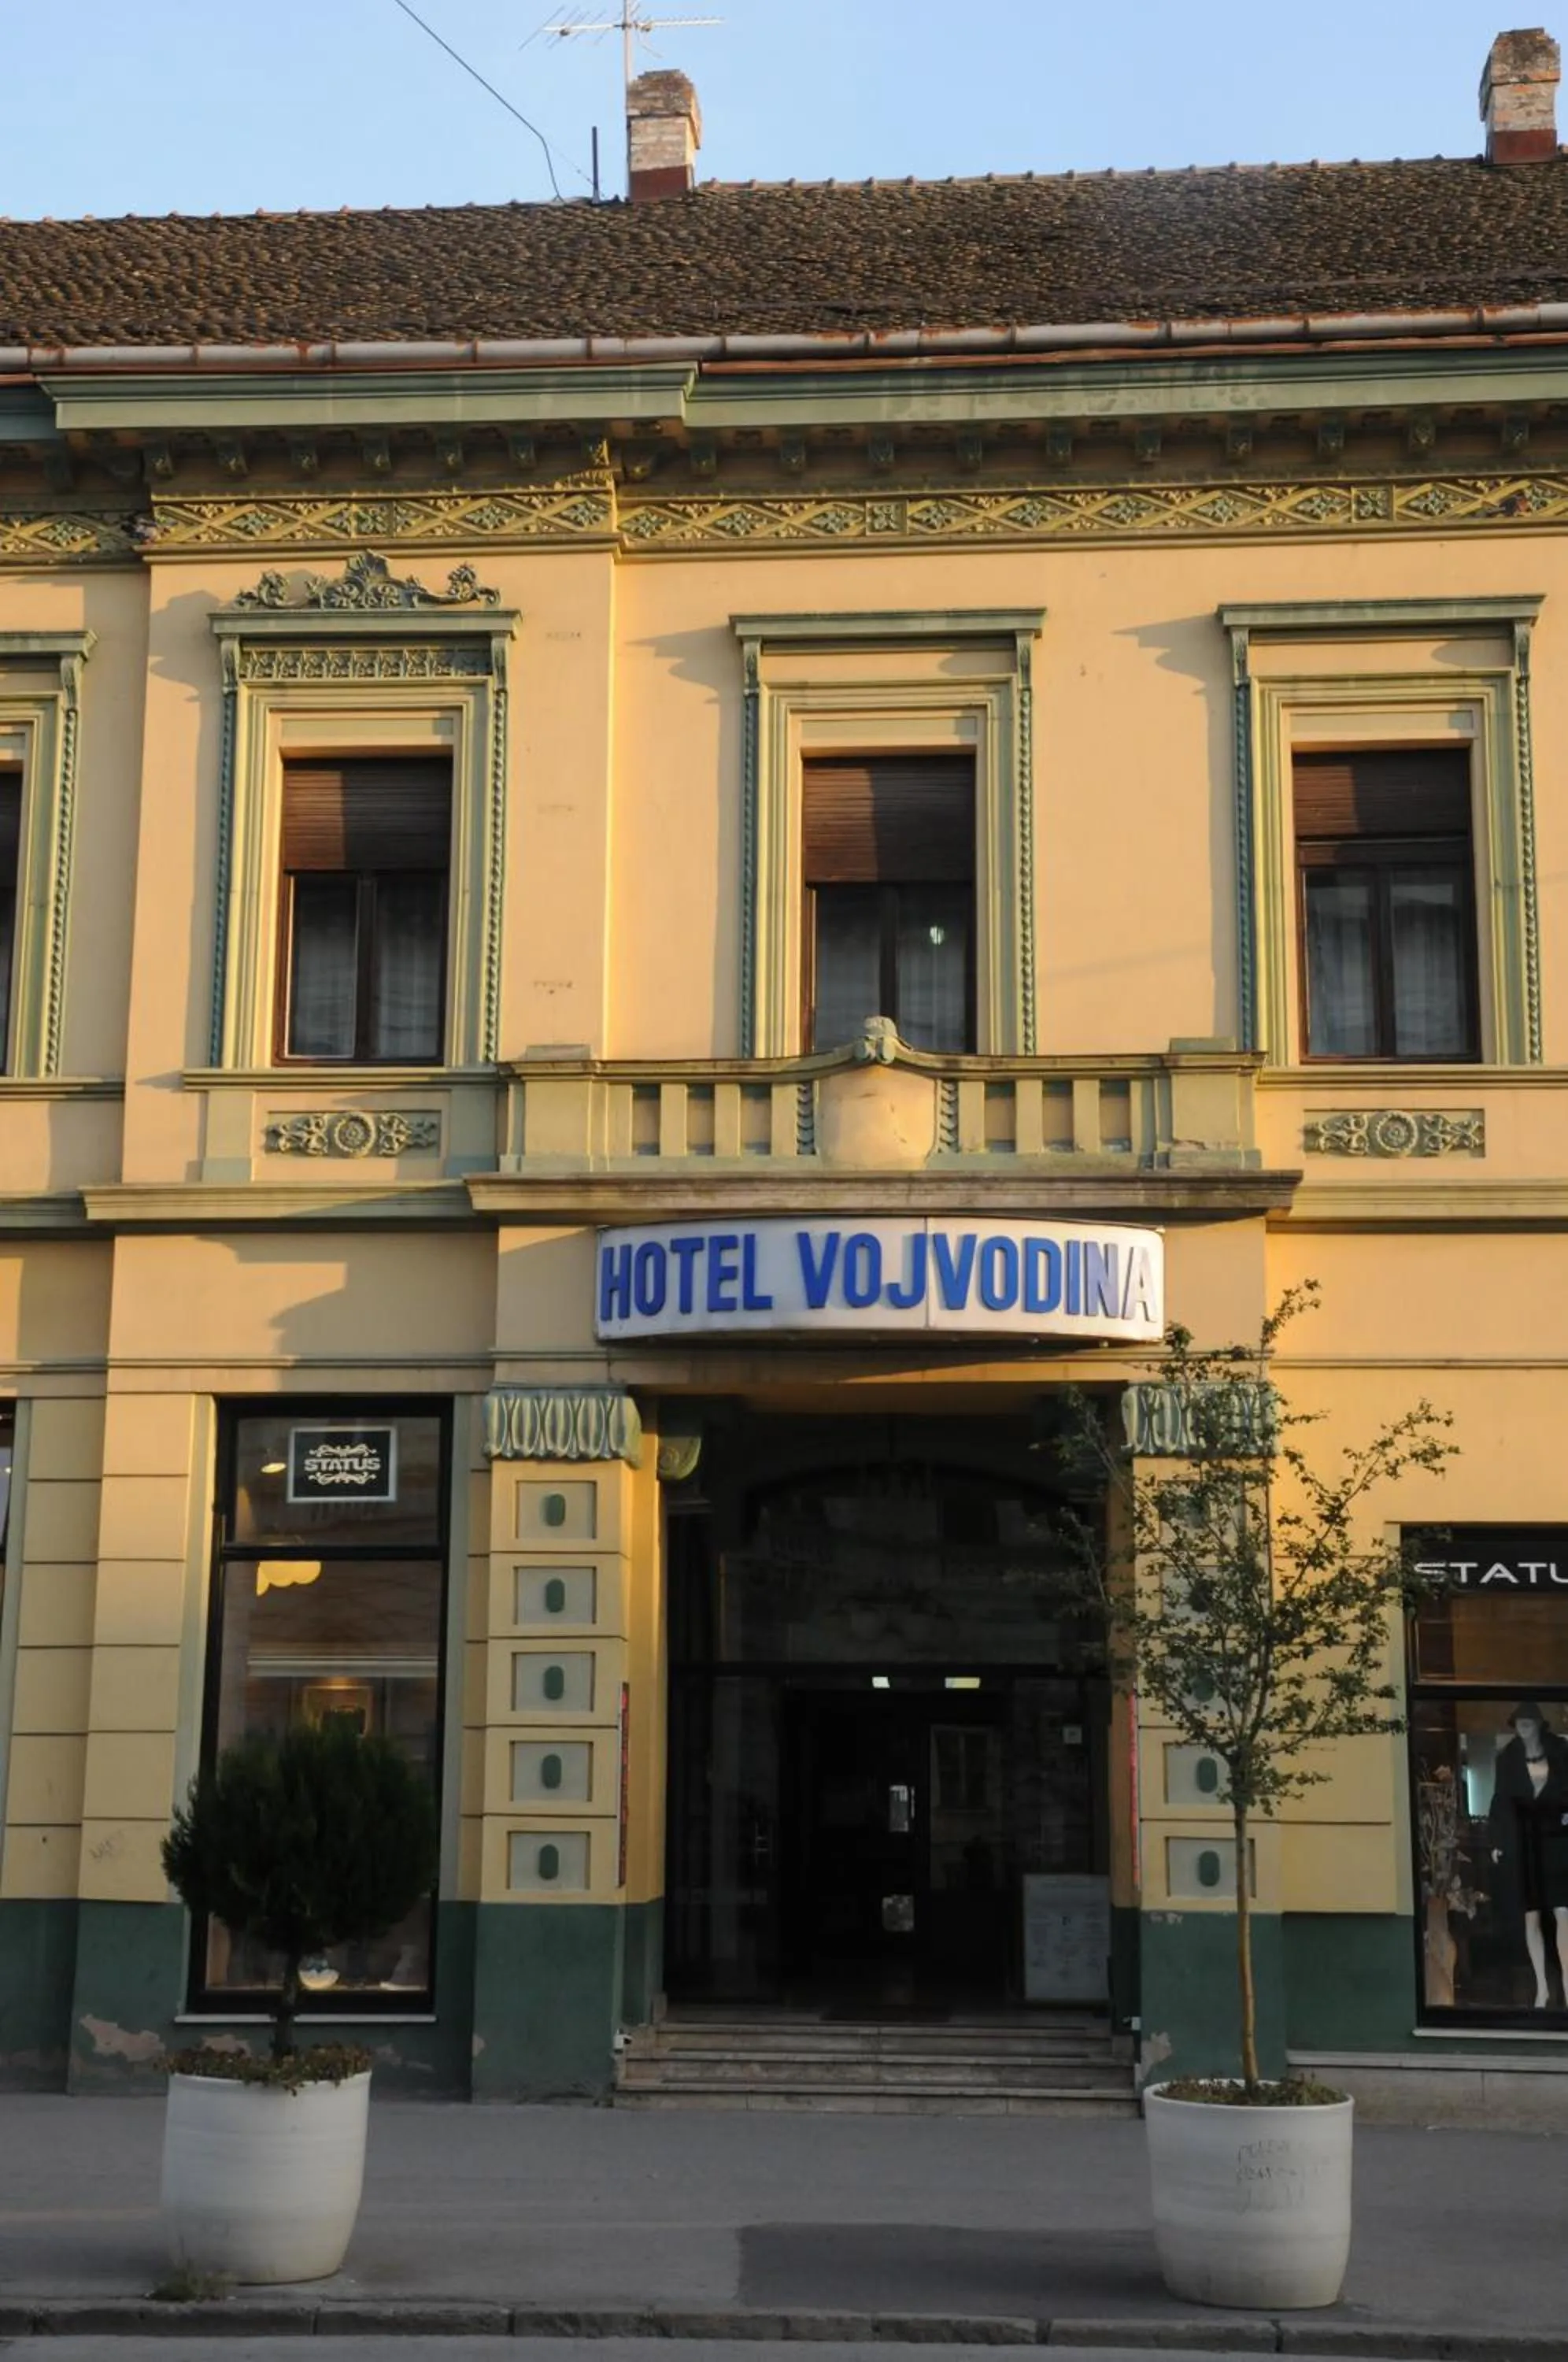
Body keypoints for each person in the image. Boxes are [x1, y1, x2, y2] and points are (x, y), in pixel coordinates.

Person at [1488, 1702, 1568, 2008]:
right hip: (1525, 1842)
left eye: (1528, 1721)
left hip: (1557, 1841)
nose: (1523, 1726)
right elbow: (1499, 1800)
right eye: (1519, 1721)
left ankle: (1566, 1982)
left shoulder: (1560, 1751)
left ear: (1538, 1725)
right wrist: (1497, 1840)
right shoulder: (1508, 1758)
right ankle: (1542, 1987)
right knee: (1531, 1916)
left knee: (1563, 1913)